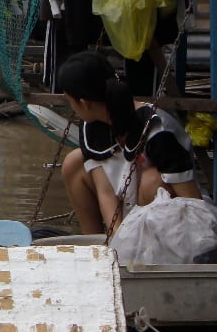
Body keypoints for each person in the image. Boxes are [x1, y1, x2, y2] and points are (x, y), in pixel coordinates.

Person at [57, 50, 201, 235]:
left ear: (84, 103)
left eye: (70, 102)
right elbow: (105, 192)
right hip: (127, 209)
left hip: (168, 225)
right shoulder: (92, 127)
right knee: (73, 163)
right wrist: (117, 239)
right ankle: (94, 243)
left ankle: (149, 250)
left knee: (152, 181)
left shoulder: (158, 131)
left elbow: (193, 200)